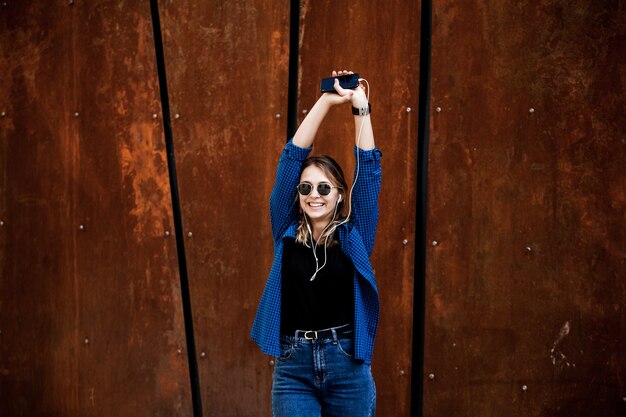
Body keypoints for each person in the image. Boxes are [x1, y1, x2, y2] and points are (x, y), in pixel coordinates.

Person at [251, 70, 382, 416]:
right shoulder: (286, 230)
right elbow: (291, 157)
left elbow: (369, 173)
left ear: (339, 195)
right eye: (306, 188)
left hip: (347, 363)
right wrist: (326, 101)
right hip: (294, 365)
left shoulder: (354, 237)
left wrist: (360, 108)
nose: (314, 195)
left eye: (324, 188)